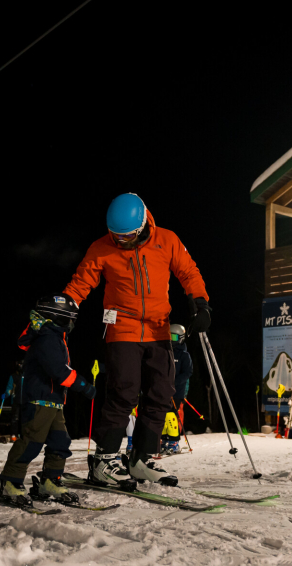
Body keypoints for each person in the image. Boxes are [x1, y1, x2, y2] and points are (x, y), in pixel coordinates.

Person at [63, 193, 210, 488]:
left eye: (127, 237)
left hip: (158, 329)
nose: (121, 242)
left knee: (161, 392)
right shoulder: (101, 247)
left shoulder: (166, 240)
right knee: (124, 391)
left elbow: (188, 271)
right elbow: (82, 281)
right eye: (116, 237)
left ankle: (140, 459)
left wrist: (201, 302)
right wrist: (67, 305)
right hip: (122, 327)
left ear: (143, 225)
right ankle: (104, 460)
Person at [0, 295, 96, 505]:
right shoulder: (47, 338)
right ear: (58, 317)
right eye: (70, 319)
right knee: (31, 442)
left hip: (54, 401)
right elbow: (58, 371)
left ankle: (50, 480)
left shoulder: (55, 336)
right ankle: (10, 482)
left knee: (60, 443)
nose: (72, 324)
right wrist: (84, 386)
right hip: (39, 400)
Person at [161, 324, 192, 454]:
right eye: (170, 336)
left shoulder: (184, 355)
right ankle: (164, 439)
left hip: (176, 391)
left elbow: (188, 372)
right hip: (163, 390)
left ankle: (174, 441)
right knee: (162, 414)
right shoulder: (165, 352)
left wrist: (174, 382)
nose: (171, 340)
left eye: (174, 337)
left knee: (171, 414)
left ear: (180, 338)